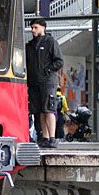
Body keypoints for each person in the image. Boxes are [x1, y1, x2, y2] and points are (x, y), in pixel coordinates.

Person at [25, 18, 64, 148]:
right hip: (34, 82)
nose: (32, 30)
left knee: (48, 109)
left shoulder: (51, 42)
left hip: (47, 82)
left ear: (43, 28)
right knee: (39, 111)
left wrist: (47, 70)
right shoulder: (29, 46)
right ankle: (45, 137)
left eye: (35, 27)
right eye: (32, 28)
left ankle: (52, 137)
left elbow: (59, 61)